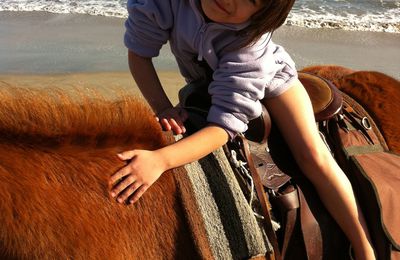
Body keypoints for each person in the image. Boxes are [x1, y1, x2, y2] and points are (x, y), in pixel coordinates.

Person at [108, 0, 375, 259]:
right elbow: (140, 54)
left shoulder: (251, 45)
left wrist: (160, 160)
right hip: (209, 83)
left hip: (271, 82)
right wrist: (163, 108)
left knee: (312, 156)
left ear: (265, 14)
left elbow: (223, 127)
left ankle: (364, 247)